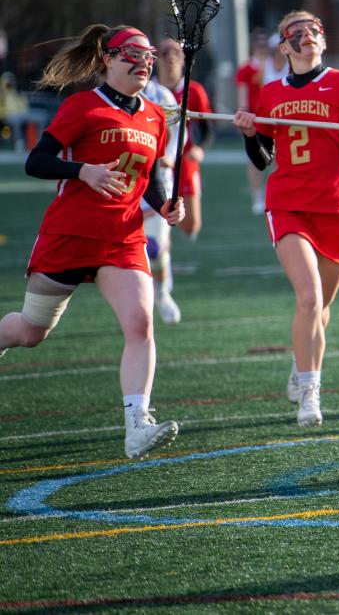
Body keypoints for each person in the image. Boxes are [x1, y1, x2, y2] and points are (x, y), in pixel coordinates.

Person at [0, 24, 184, 459]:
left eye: (147, 58)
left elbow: (151, 177)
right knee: (30, 332)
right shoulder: (82, 105)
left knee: (140, 324)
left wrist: (164, 207)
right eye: (131, 56)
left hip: (122, 238)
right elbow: (36, 161)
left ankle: (138, 424)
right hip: (70, 234)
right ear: (107, 59)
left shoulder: (156, 116)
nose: (141, 65)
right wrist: (82, 170)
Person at [232, 10, 339, 427]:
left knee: (321, 308)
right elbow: (263, 159)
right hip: (289, 203)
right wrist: (251, 136)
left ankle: (300, 361)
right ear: (284, 47)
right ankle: (310, 393)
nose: (308, 36)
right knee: (308, 298)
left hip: (338, 206)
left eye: (314, 30)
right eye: (297, 33)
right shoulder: (269, 93)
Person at [156, 38, 214, 239]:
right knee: (156, 218)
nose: (170, 57)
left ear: (183, 59)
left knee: (191, 225)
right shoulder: (148, 91)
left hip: (184, 161)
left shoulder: (194, 90)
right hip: (155, 161)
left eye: (175, 52)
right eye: (164, 52)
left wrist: (200, 149)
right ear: (156, 59)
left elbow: (207, 127)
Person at [139, 72, 182, 324]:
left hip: (157, 181)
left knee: (154, 248)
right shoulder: (108, 97)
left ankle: (163, 293)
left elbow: (178, 131)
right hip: (124, 184)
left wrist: (169, 156)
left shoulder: (160, 95)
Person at [235, 29, 286, 215]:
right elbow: (243, 95)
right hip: (256, 118)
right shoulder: (250, 68)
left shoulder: (280, 66)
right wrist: (243, 113)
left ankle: (276, 194)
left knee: (278, 159)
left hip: (275, 119)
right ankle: (257, 196)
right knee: (255, 159)